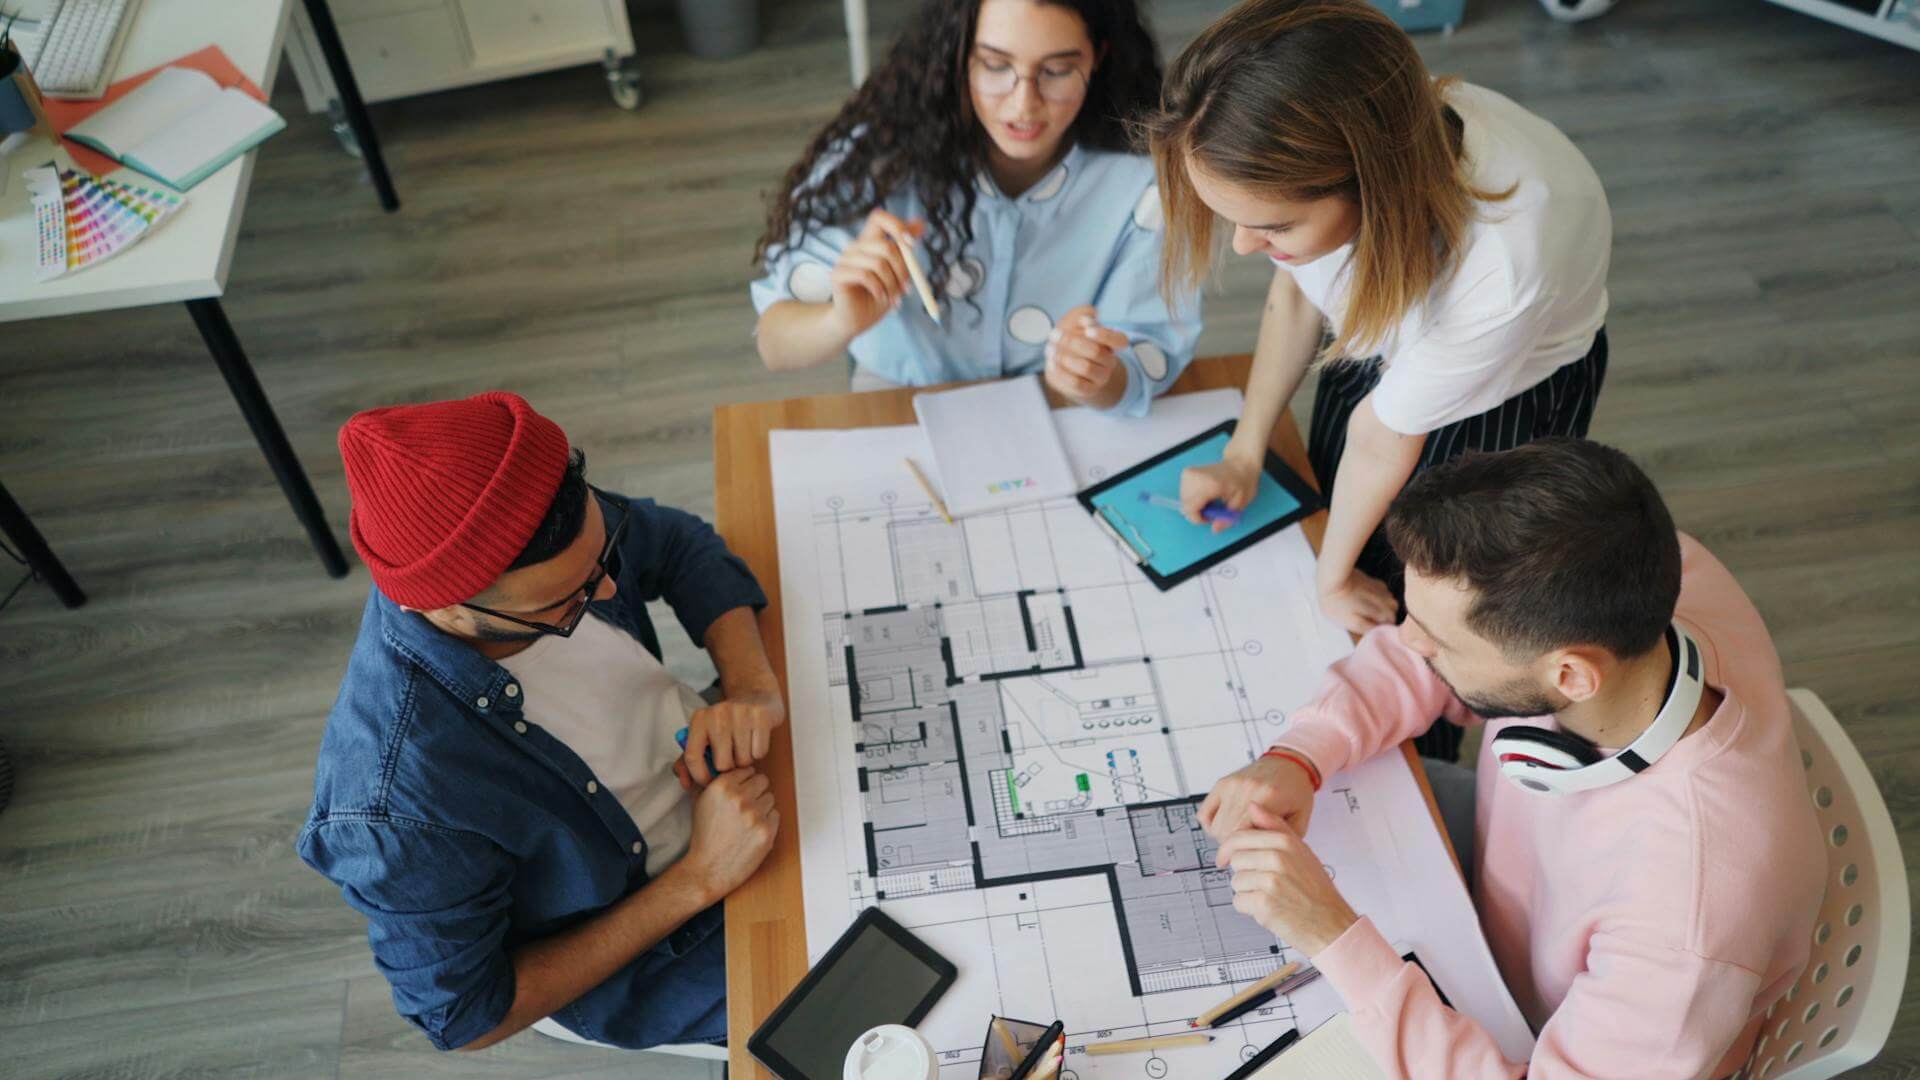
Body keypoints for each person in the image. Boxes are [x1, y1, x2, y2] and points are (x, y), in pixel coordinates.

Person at [1200, 439, 1825, 1079]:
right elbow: (1414, 660)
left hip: (1556, 1036)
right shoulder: (1644, 574)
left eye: (1439, 641)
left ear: (1572, 677)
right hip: (1505, 918)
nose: (1404, 640)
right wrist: (1300, 755)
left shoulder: (1686, 923)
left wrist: (1333, 936)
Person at [299, 392, 783, 1051]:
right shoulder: (396, 803)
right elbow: (469, 1015)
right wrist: (697, 879)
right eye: (572, 600)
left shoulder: (539, 520)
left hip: (726, 791)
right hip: (658, 935)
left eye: (601, 558)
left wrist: (752, 688)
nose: (609, 590)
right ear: (451, 612)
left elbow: (675, 544)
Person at [1144, 1, 1612, 676]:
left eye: (1271, 228)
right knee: (1342, 511)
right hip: (1397, 323)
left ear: (1369, 189)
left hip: (1505, 390)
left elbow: (1380, 438)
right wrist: (1245, 451)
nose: (1245, 246)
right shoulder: (1354, 145)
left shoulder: (1503, 266)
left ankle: (1428, 741)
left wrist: (1333, 582)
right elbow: (1297, 293)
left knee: (1439, 608)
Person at [751, 0, 1201, 415]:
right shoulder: (877, 161)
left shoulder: (1140, 183)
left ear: (1097, 57)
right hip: (901, 392)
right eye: (995, 65)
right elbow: (774, 344)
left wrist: (1097, 377)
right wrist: (839, 320)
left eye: (1058, 70)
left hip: (1054, 403)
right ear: (958, 54)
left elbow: (1148, 354)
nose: (1024, 104)